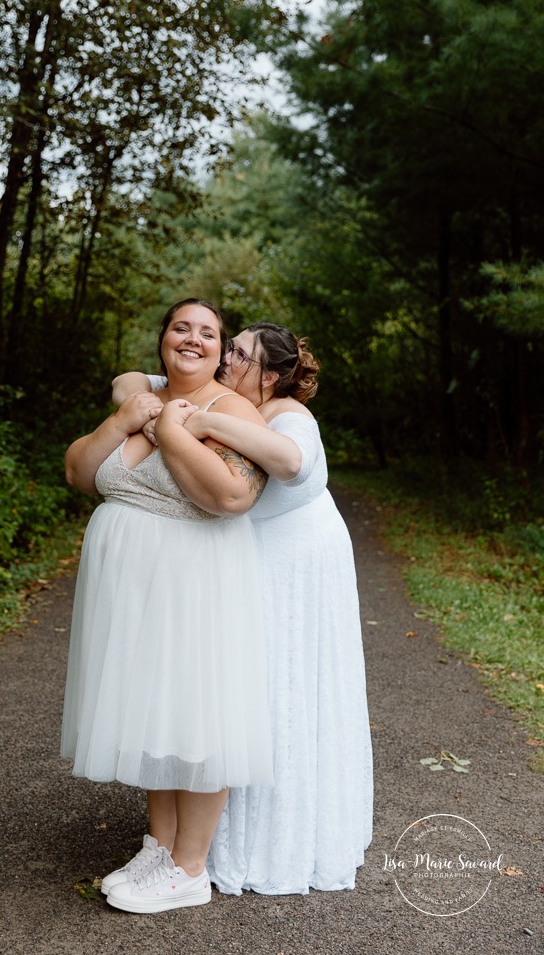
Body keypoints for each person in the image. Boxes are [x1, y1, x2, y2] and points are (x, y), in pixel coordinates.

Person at [112, 320, 373, 894]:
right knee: (223, 692)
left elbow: (291, 464)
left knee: (279, 692)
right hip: (245, 560)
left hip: (295, 570)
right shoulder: (221, 389)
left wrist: (200, 421)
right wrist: (153, 403)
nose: (225, 357)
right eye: (227, 347)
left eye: (239, 353)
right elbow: (131, 379)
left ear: (271, 376)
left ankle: (248, 847)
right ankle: (178, 845)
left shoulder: (287, 415)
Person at [61, 299, 274, 915]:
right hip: (132, 592)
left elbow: (229, 495)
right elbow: (79, 472)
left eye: (208, 333)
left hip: (194, 582)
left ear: (221, 350)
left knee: (199, 712)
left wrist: (173, 431)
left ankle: (191, 868)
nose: (193, 338)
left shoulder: (231, 409)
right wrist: (129, 415)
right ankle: (160, 847)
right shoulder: (140, 400)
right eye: (182, 327)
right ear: (162, 339)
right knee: (154, 710)